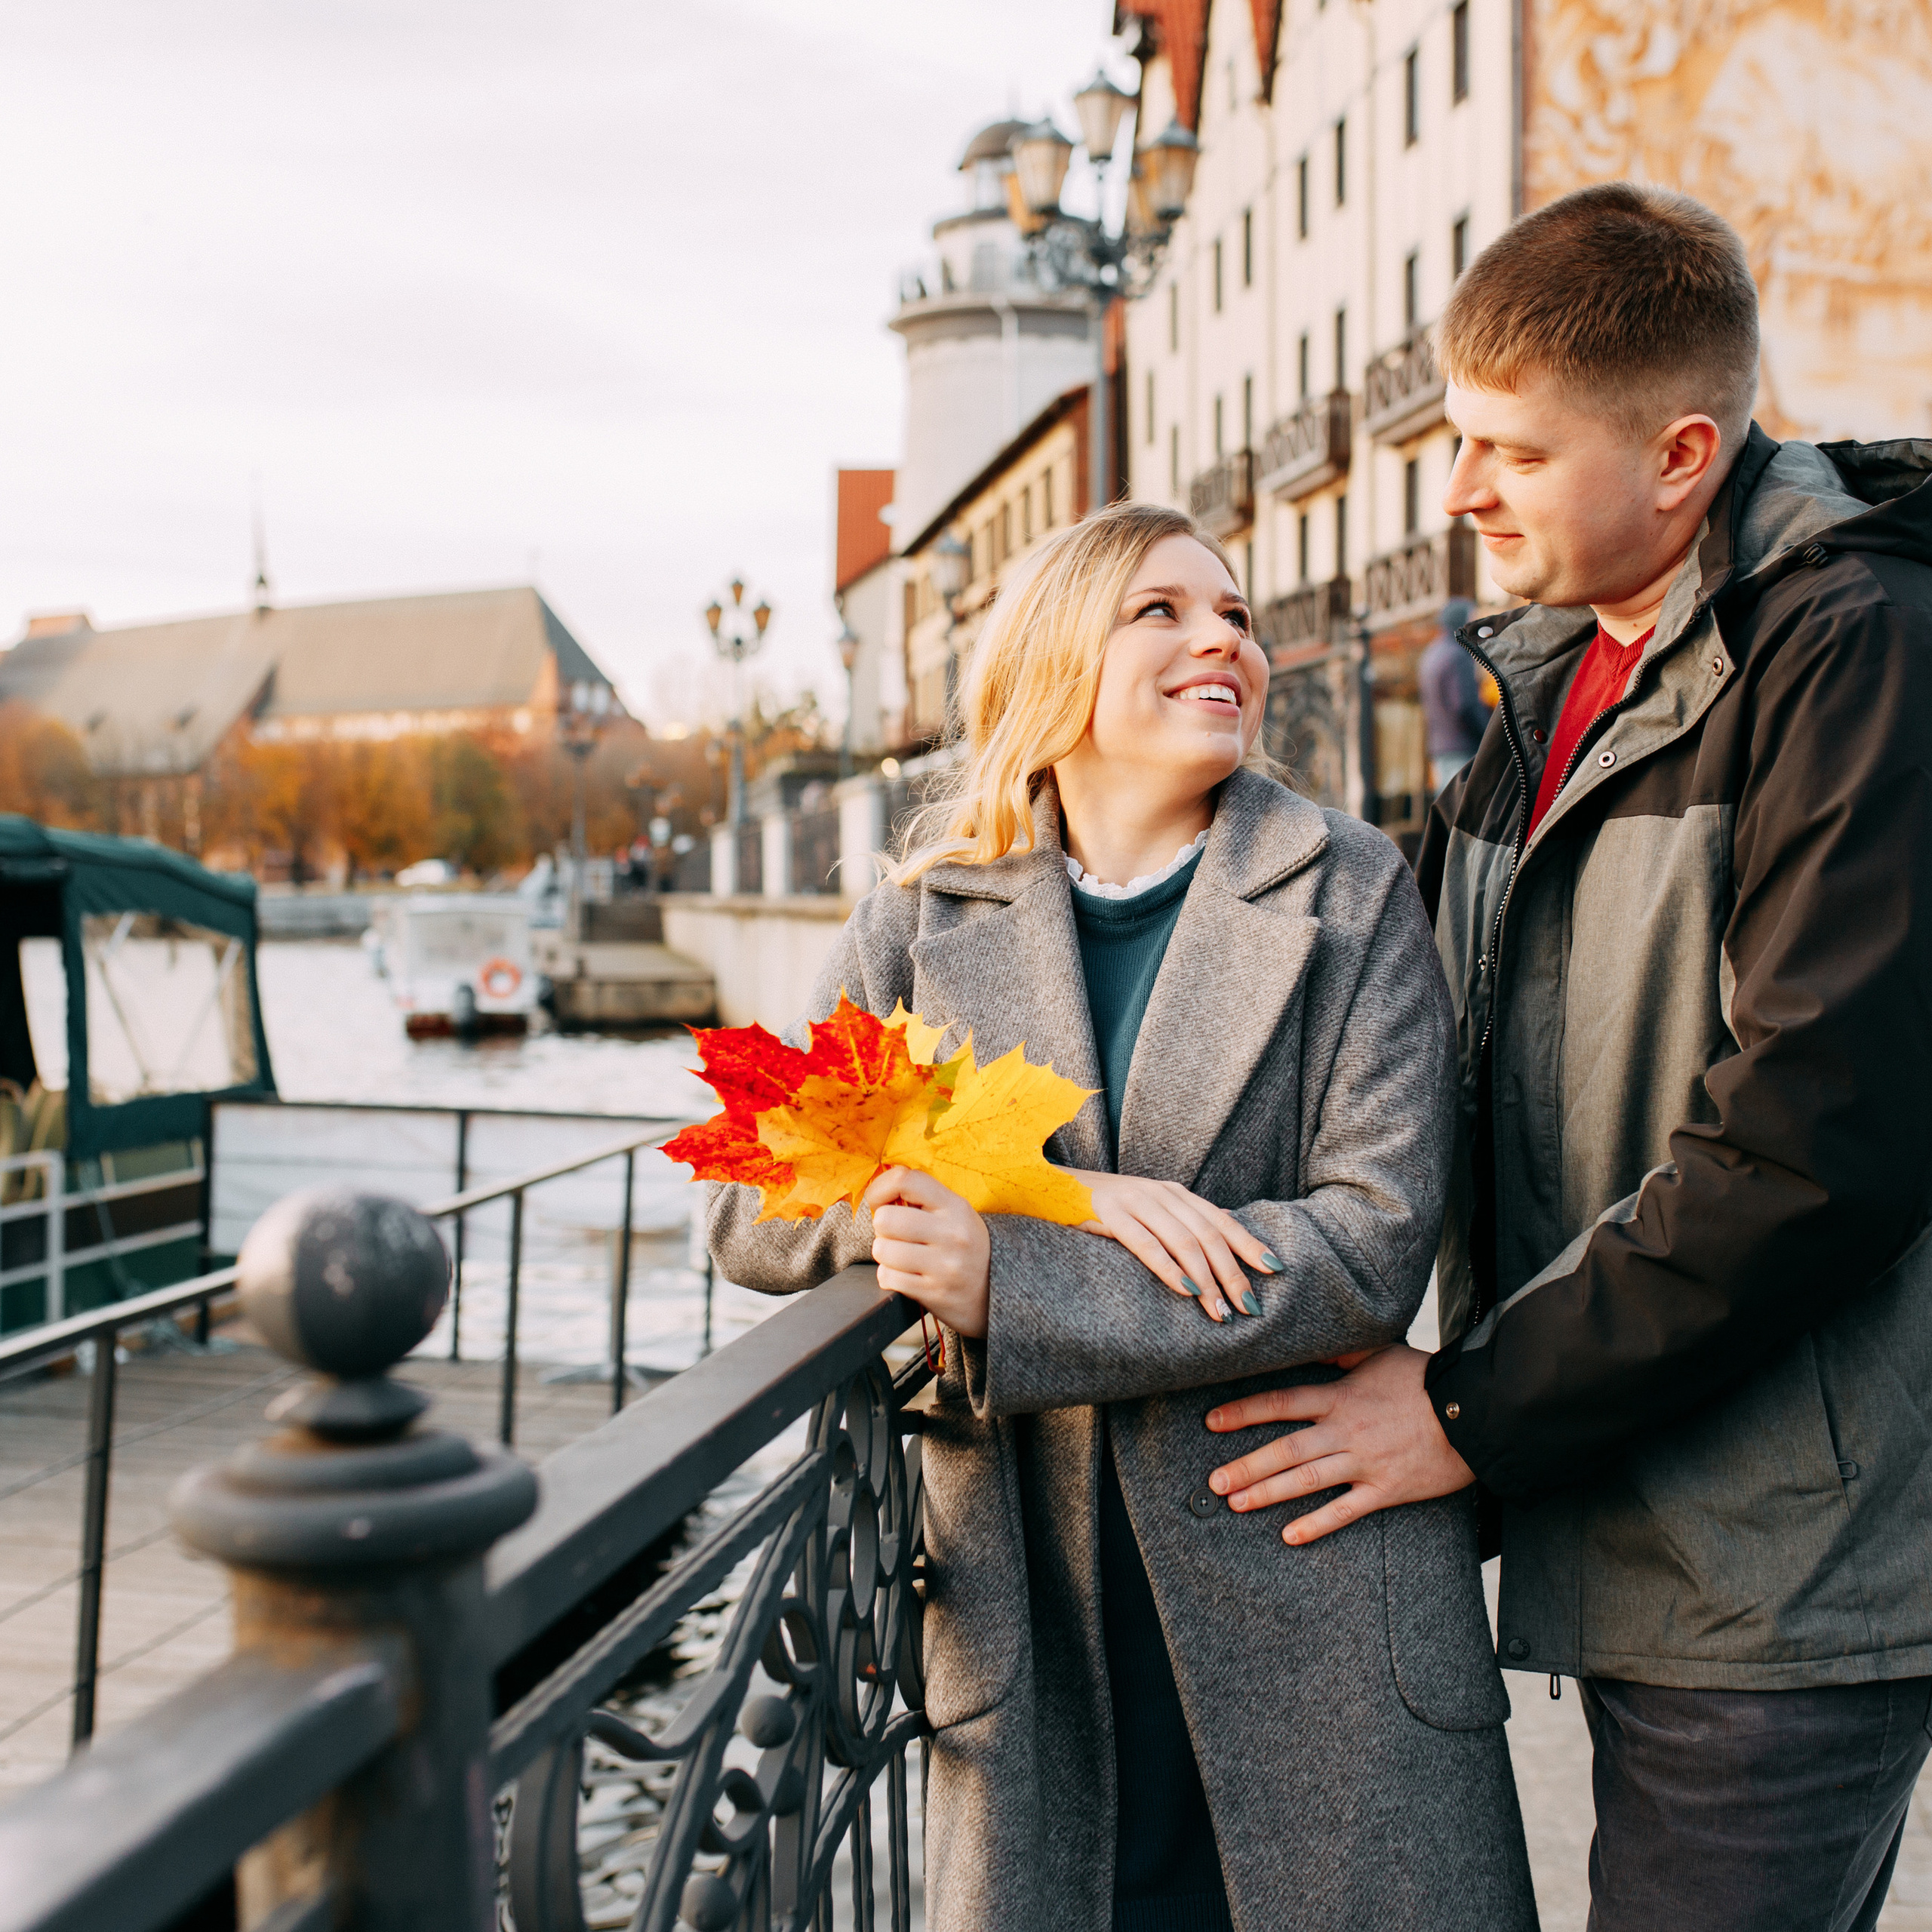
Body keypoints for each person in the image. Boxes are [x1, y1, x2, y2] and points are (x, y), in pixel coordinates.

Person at [1202, 182, 1932, 1930]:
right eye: (1455, 442)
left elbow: (1821, 1131)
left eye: (1506, 454)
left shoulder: (1844, 647)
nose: (1455, 493)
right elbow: (1385, 1010)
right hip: (1641, 1511)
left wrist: (1467, 1406)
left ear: (1678, 454)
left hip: (1774, 1563)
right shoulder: (1556, 676)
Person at [708, 501, 1536, 1932]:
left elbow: (1368, 1245)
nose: (1225, 637)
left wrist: (1010, 1287)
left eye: (1236, 616)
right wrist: (1045, 1192)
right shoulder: (922, 916)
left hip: (1311, 1574)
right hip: (1033, 1601)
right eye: (1162, 610)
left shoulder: (1350, 887)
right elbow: (757, 1209)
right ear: (1053, 657)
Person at [1417, 596, 1491, 792]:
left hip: (1440, 746)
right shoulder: (1457, 656)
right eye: (1472, 618)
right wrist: (1489, 734)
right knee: (1463, 810)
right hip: (1462, 746)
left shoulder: (1431, 654)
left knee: (1448, 807)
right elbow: (1464, 704)